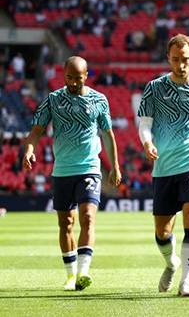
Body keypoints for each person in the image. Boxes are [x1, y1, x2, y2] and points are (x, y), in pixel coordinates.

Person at [21, 56, 121, 291]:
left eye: (78, 78)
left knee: (87, 217)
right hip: (63, 170)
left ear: (86, 75)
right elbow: (37, 130)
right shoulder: (53, 100)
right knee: (66, 223)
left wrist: (115, 165)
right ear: (63, 75)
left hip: (89, 169)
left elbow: (108, 134)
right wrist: (29, 149)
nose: (73, 82)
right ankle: (70, 275)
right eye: (69, 77)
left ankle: (83, 271)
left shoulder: (99, 100)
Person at [137, 34, 189, 297]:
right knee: (162, 232)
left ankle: (187, 282)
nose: (181, 64)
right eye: (176, 59)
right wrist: (147, 143)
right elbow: (145, 123)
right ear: (168, 58)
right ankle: (171, 262)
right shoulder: (154, 88)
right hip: (164, 167)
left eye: (185, 59)